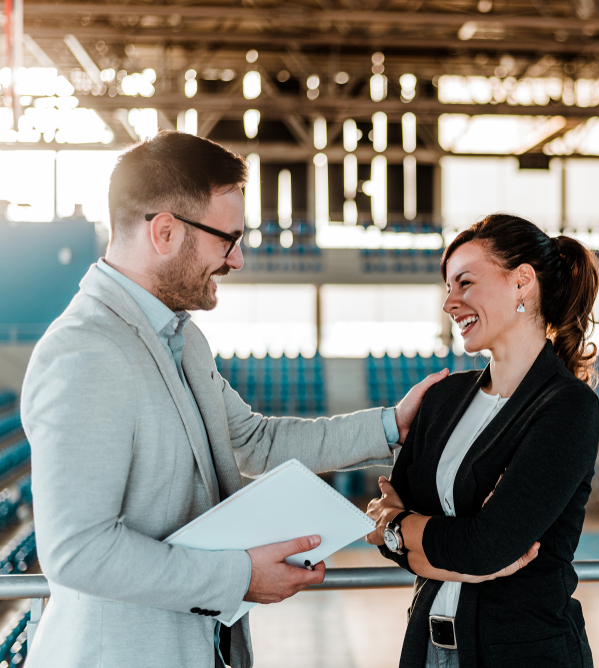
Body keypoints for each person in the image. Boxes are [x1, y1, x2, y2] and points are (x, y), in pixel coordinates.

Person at [20, 131, 446, 668]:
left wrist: (393, 426)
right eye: (228, 239)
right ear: (166, 232)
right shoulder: (86, 352)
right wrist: (241, 575)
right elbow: (78, 552)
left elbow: (253, 441)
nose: (238, 259)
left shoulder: (182, 340)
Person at [366, 214, 599, 668]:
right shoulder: (442, 399)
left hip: (522, 654)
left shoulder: (567, 407)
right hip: (428, 650)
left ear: (522, 282)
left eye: (465, 283)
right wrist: (411, 534)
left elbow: (486, 547)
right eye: (447, 287)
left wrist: (404, 527)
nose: (449, 303)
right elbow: (386, 531)